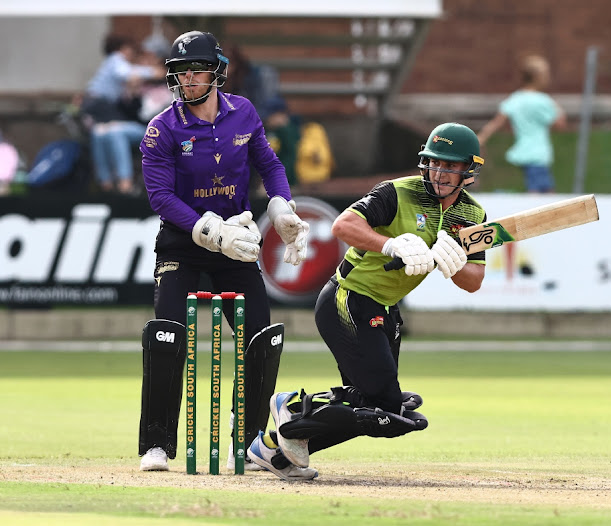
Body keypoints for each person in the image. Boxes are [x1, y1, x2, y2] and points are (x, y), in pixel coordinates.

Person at [245, 122, 488, 481]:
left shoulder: (472, 216)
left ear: (468, 170)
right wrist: (391, 244)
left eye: (450, 166)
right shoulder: (397, 193)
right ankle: (291, 406)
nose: (440, 172)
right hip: (349, 298)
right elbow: (342, 225)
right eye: (435, 163)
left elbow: (474, 282)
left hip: (386, 309)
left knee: (383, 412)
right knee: (382, 402)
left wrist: (451, 263)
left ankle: (270, 449)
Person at [137, 30, 314, 480]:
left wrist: (280, 206)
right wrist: (207, 230)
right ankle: (157, 441)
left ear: (216, 72)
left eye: (196, 71)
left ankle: (251, 438)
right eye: (180, 73)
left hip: (237, 241)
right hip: (183, 242)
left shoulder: (245, 112)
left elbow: (270, 166)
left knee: (261, 339)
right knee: (167, 336)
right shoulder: (162, 128)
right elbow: (160, 196)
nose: (188, 80)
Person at [81, 34, 163, 194]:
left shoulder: (163, 90)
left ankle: (125, 182)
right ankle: (106, 183)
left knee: (113, 131)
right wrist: (145, 78)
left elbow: (147, 114)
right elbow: (125, 74)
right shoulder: (118, 64)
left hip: (148, 128)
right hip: (107, 108)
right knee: (98, 133)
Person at [476, 55, 565, 194]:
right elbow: (560, 124)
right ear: (538, 76)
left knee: (546, 190)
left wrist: (481, 138)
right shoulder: (543, 100)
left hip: (523, 150)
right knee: (540, 193)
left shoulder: (515, 99)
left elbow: (497, 122)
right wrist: (556, 106)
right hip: (538, 153)